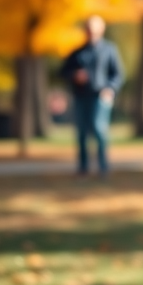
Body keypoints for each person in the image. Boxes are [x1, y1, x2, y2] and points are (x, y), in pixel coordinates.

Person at [59, 16, 124, 177]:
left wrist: (110, 89)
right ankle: (83, 168)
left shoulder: (109, 49)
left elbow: (118, 74)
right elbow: (63, 72)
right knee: (81, 132)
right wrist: (75, 75)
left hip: (100, 96)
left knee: (99, 129)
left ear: (101, 30)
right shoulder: (77, 52)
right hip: (81, 96)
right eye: (88, 29)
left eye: (93, 29)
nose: (90, 33)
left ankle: (103, 167)